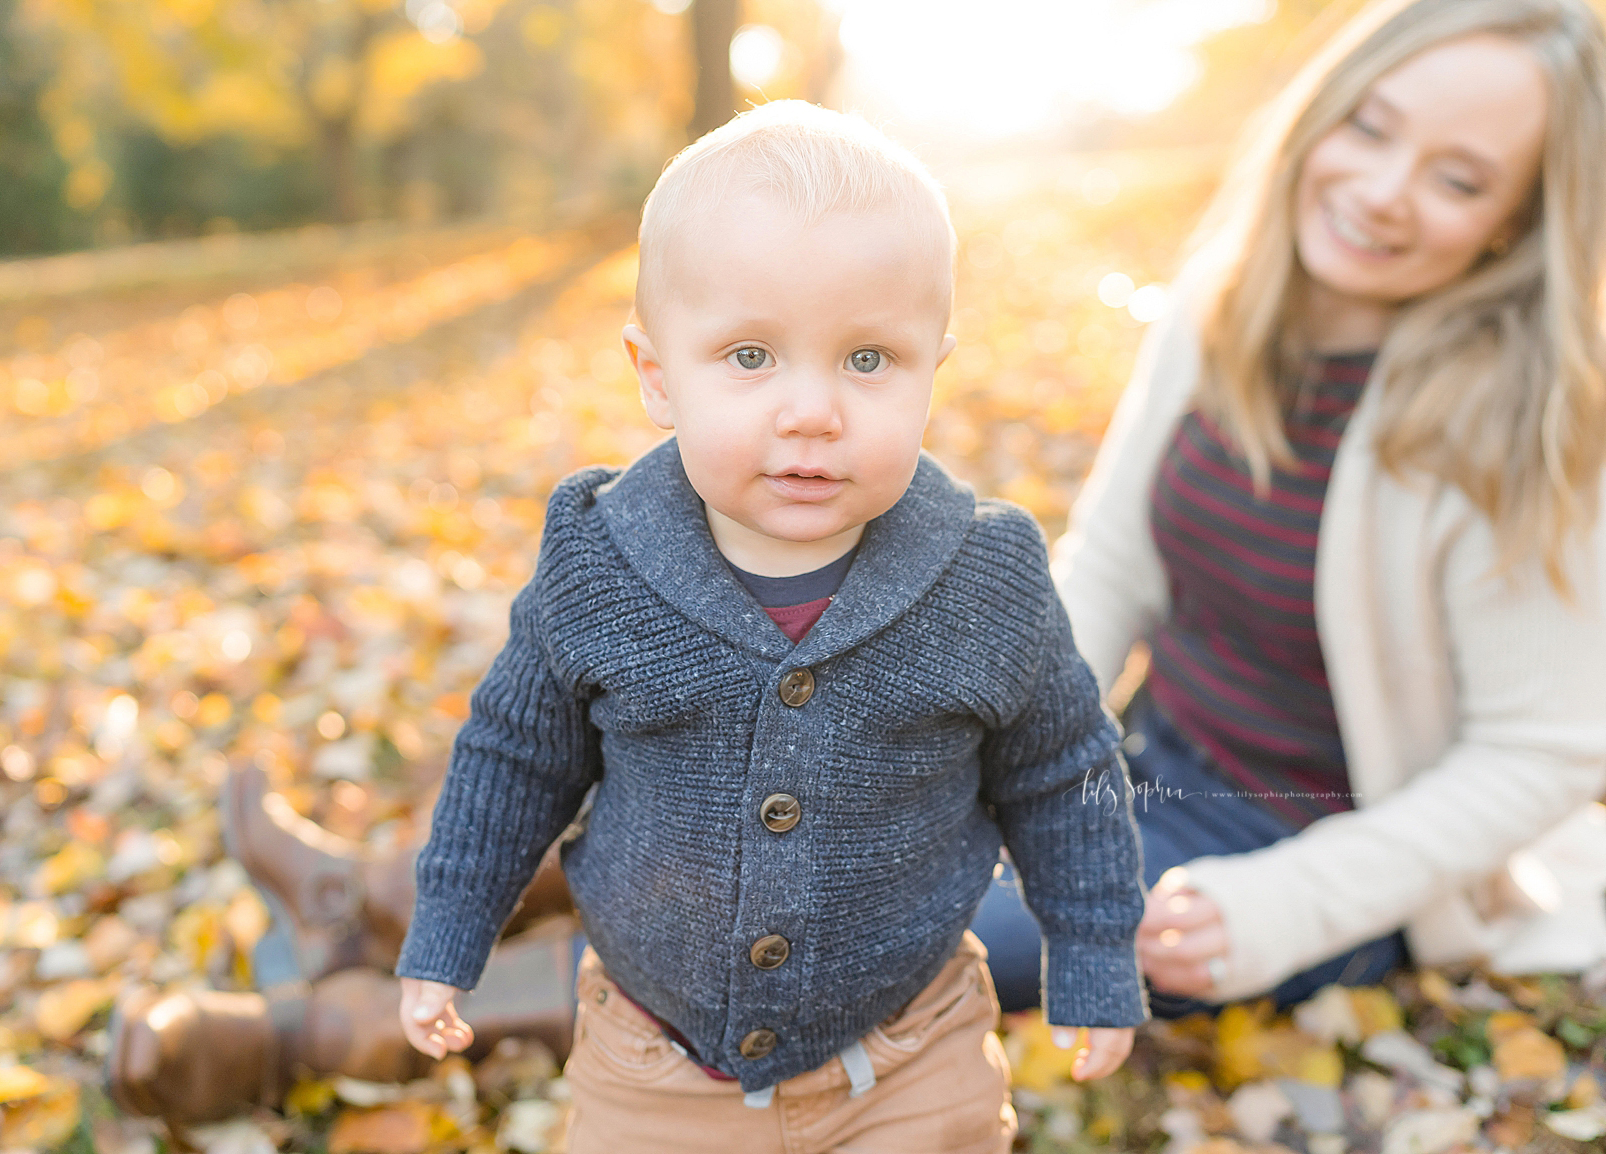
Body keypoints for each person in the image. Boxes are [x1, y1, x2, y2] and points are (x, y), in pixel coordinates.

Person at [392, 101, 1142, 1153]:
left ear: (935, 365)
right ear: (657, 375)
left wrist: (1097, 951)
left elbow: (1063, 768)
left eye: (868, 360)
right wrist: (449, 928)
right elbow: (514, 755)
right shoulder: (600, 557)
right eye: (749, 357)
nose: (810, 410)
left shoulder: (985, 572)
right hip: (652, 1059)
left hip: (907, 1054)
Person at [979, 0, 1606, 1013]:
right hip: (1144, 758)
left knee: (909, 937)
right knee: (833, 845)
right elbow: (1110, 565)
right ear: (1322, 109)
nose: (1382, 191)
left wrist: (1290, 904)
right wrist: (1000, 748)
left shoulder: (1526, 421)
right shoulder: (1217, 304)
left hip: (1305, 849)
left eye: (1458, 179)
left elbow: (1540, 750)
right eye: (1370, 125)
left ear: (1518, 220)